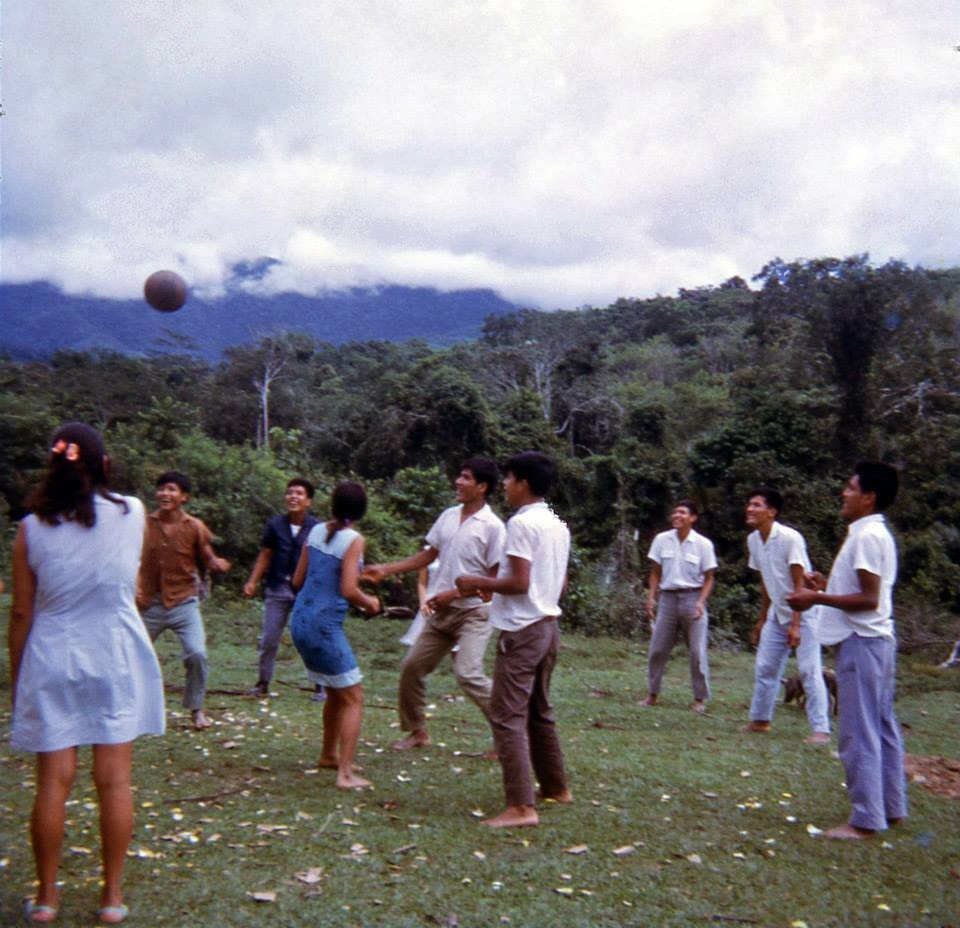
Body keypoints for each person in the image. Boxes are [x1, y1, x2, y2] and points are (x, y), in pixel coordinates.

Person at [9, 423, 165, 924]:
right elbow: (126, 574)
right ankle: (111, 897)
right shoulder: (134, 512)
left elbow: (21, 615)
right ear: (104, 463)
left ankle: (47, 897)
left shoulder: (31, 529)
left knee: (53, 782)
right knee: (114, 782)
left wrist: (18, 680)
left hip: (54, 653)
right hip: (115, 653)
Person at [787, 462, 907, 840]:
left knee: (859, 732)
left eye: (851, 488)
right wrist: (823, 585)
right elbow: (860, 589)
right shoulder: (868, 533)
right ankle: (890, 806)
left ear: (869, 497)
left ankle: (866, 819)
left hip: (863, 643)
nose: (844, 493)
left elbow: (869, 599)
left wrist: (815, 596)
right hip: (875, 643)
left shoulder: (868, 536)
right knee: (881, 726)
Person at [456, 451, 572, 828]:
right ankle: (556, 787)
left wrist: (478, 582)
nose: (503, 485)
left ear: (522, 483)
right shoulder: (556, 523)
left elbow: (519, 582)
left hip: (523, 630)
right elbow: (558, 581)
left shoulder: (522, 525)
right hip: (547, 625)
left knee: (507, 715)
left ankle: (521, 807)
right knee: (539, 711)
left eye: (507, 479)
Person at [363, 458, 505, 752]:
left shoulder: (493, 527)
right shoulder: (449, 516)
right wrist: (386, 569)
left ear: (482, 487)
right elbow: (427, 557)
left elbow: (492, 581)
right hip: (441, 614)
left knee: (467, 674)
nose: (458, 481)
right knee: (411, 668)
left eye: (465, 478)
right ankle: (417, 732)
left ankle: (509, 734)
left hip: (474, 613)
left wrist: (452, 594)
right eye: (459, 475)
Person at [289, 480, 381, 789]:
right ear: (361, 511)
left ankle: (328, 754)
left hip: (300, 620)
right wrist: (370, 603)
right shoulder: (353, 539)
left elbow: (298, 578)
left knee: (333, 689)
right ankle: (346, 773)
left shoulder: (315, 531)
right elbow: (347, 589)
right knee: (354, 696)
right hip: (323, 625)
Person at [137, 471, 230, 731]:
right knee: (131, 652)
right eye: (161, 489)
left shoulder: (194, 527)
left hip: (183, 601)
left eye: (172, 490)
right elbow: (130, 557)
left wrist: (216, 563)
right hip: (149, 602)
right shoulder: (143, 524)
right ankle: (131, 706)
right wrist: (135, 587)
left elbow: (207, 555)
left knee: (197, 653)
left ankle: (196, 709)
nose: (165, 494)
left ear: (184, 497)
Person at [742, 487, 830, 744]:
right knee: (765, 667)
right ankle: (760, 720)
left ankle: (821, 730)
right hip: (776, 614)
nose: (750, 509)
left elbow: (799, 584)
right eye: (749, 504)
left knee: (809, 669)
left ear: (772, 511)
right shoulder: (754, 540)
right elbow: (766, 582)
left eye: (756, 505)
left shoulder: (790, 538)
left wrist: (796, 625)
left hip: (805, 614)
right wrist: (761, 619)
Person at [242, 478, 320, 697]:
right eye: (289, 493)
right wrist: (252, 581)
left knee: (310, 637)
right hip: (277, 587)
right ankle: (263, 683)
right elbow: (265, 554)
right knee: (269, 638)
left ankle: (320, 685)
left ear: (308, 501)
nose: (293, 497)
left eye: (299, 493)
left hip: (305, 591)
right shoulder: (275, 525)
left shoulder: (317, 528)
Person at [643, 499, 717, 713]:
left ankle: (700, 699)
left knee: (696, 652)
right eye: (674, 512)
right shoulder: (661, 540)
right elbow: (655, 571)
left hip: (692, 598)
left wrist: (701, 603)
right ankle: (652, 694)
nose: (677, 516)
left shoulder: (703, 544)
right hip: (667, 598)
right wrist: (651, 597)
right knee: (657, 649)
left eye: (682, 512)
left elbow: (709, 577)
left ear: (692, 518)